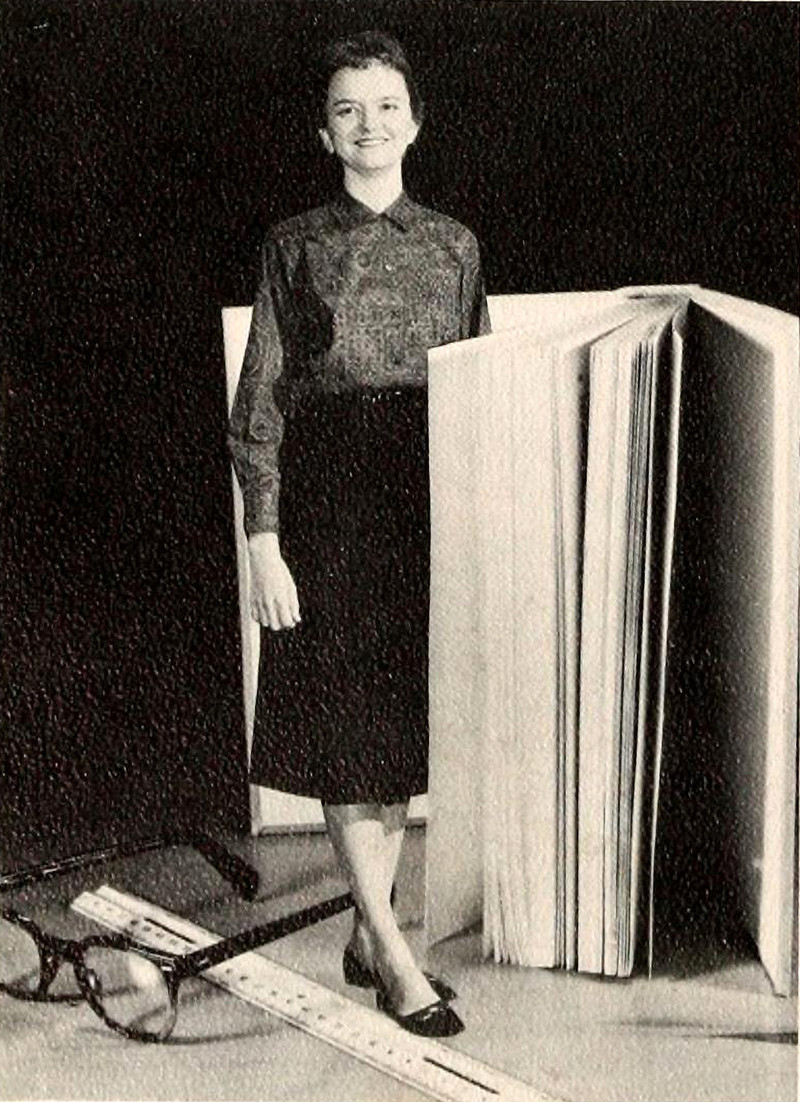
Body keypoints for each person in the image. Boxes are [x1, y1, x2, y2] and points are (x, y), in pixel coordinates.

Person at [228, 30, 490, 1038]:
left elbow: (477, 386)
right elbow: (260, 401)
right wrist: (264, 538)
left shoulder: (454, 245)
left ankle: (362, 929)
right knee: (345, 731)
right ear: (324, 133)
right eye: (347, 109)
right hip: (330, 502)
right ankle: (391, 950)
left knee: (395, 727)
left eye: (385, 106)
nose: (368, 125)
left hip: (425, 496)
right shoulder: (293, 245)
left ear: (414, 123)